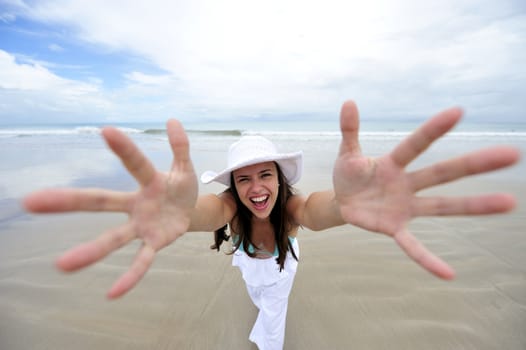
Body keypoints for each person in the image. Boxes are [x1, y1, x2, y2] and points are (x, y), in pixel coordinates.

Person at [23, 101, 520, 349]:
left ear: (280, 181)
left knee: (272, 319)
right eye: (244, 180)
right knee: (255, 290)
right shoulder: (229, 211)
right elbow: (203, 214)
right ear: (233, 187)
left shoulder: (294, 208)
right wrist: (177, 213)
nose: (256, 187)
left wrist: (349, 206)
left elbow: (321, 212)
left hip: (282, 269)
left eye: (266, 175)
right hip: (247, 263)